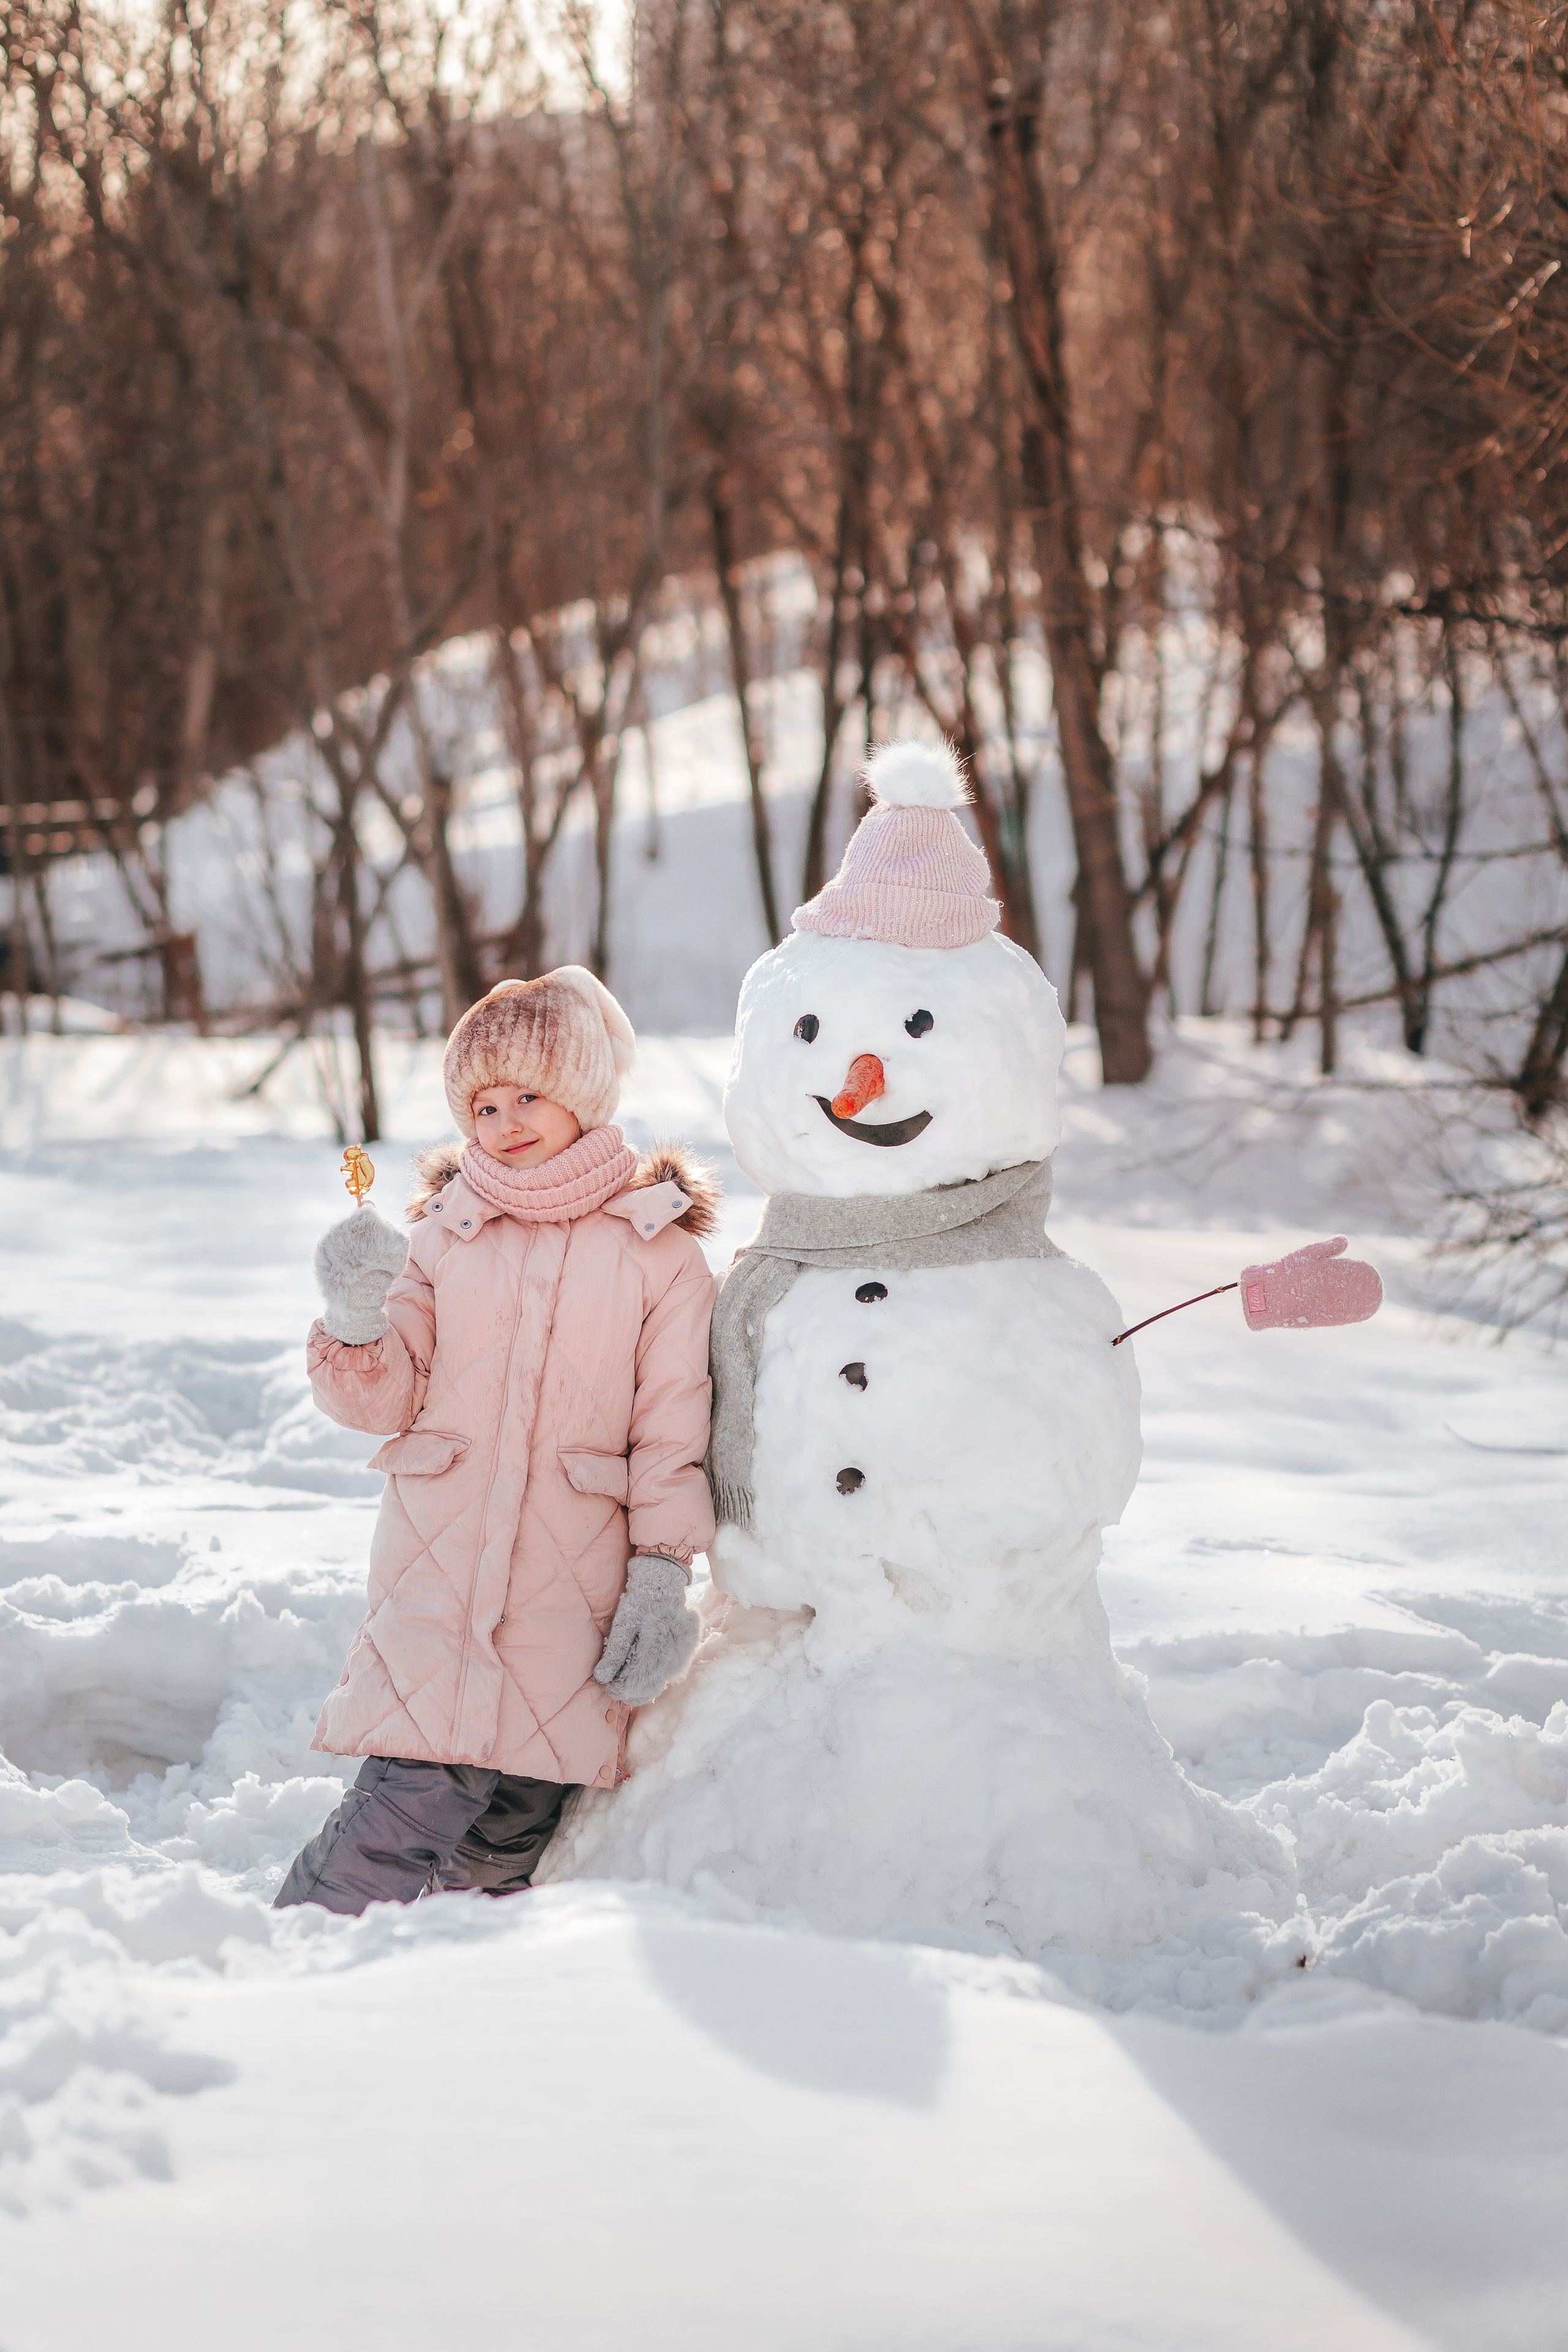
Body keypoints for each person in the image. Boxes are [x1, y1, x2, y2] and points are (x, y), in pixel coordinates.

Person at [273, 967, 718, 1915]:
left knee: (519, 1811)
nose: (505, 1120)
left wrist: (662, 1569)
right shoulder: (442, 1239)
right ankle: (301, 1947)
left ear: (584, 1096)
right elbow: (384, 1397)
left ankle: (467, 1980)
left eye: (529, 1094)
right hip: (442, 1562)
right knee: (415, 1791)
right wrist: (359, 1325)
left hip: (575, 1580)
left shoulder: (659, 1254)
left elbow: (674, 1425)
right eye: (482, 1102)